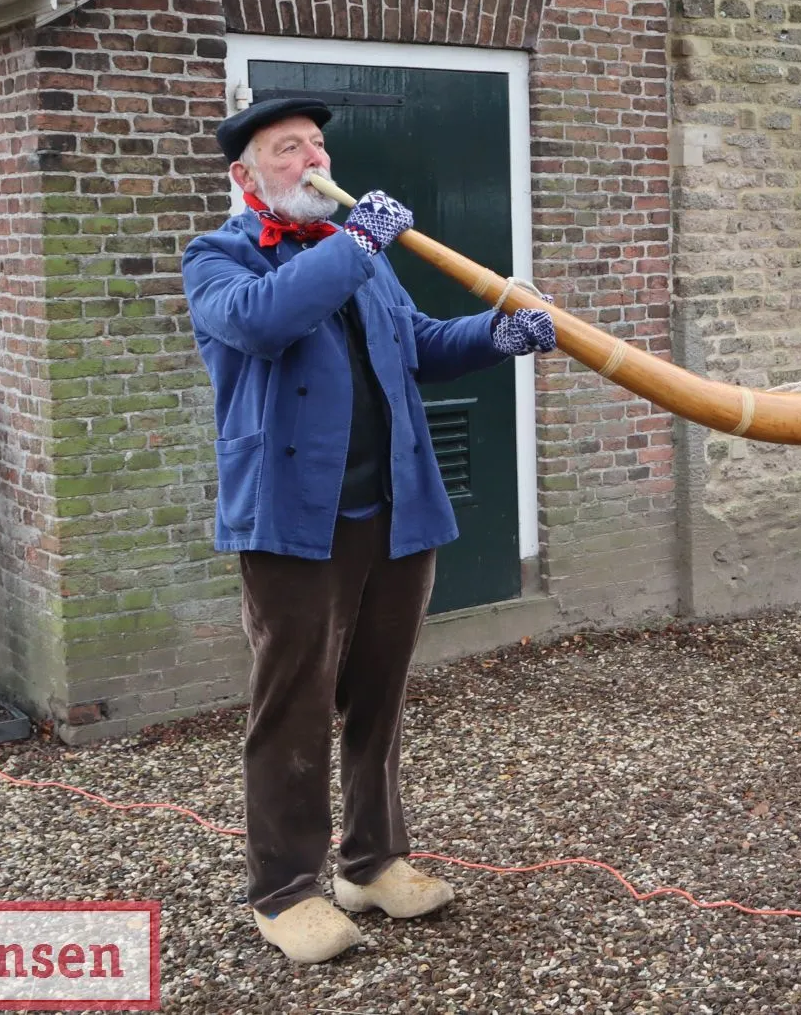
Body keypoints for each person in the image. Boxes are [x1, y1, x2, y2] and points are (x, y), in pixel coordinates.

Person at [182, 96, 560, 964]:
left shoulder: (361, 256)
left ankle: (371, 858)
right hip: (292, 522)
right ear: (247, 177)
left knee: (378, 695)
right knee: (293, 704)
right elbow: (263, 321)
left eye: (317, 144)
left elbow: (419, 343)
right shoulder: (218, 258)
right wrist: (358, 245)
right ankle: (284, 890)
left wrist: (503, 332)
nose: (313, 159)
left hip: (396, 507)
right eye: (289, 151)